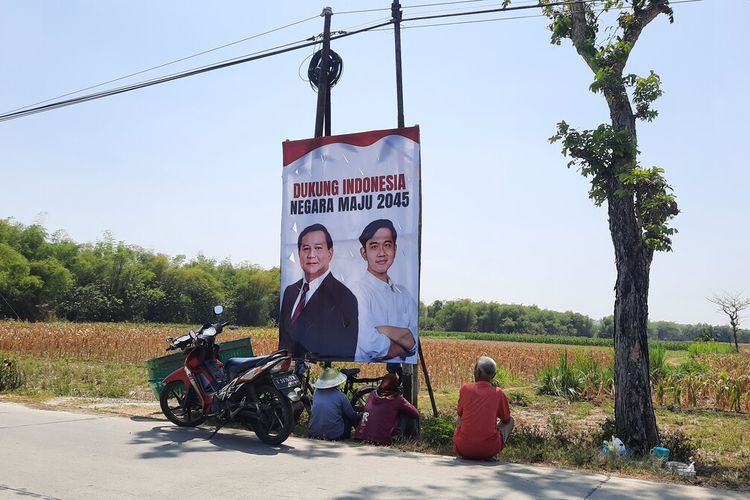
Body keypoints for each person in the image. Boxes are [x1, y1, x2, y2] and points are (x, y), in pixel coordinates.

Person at [279, 223, 358, 360]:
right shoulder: (290, 292)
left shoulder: (344, 297)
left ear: (330, 253)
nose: (311, 255)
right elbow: (284, 339)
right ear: (299, 253)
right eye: (306, 249)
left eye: (318, 248)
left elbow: (346, 349)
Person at [351, 219, 418, 362]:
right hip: (367, 373)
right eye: (374, 246)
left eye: (387, 245)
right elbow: (368, 344)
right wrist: (403, 344)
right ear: (364, 253)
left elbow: (414, 341)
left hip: (399, 376)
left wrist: (384, 330)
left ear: (395, 248)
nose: (382, 253)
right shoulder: (357, 292)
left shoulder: (404, 295)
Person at [453, 356, 514, 460]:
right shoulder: (498, 393)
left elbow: (460, 413)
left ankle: (466, 446)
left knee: (460, 416)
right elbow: (506, 419)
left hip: (463, 448)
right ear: (493, 375)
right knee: (511, 421)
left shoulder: (465, 389)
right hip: (489, 449)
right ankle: (490, 452)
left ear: (478, 372)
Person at [354, 372, 419, 444]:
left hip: (362, 436)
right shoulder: (397, 399)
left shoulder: (372, 394)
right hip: (383, 439)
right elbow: (415, 413)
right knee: (407, 414)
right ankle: (414, 441)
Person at [307, 367, 359, 440]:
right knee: (348, 418)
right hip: (334, 435)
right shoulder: (341, 396)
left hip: (314, 433)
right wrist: (359, 415)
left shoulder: (316, 393)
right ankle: (354, 437)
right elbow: (351, 415)